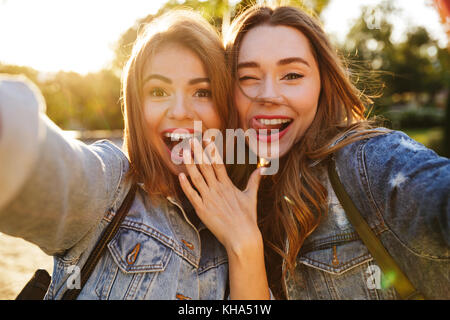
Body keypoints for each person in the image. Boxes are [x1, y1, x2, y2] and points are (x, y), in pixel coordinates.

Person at [181, 4, 449, 300]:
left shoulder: (366, 163)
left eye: (292, 75)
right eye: (247, 78)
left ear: (323, 83)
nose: (268, 95)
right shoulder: (226, 192)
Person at [0, 10, 270, 300]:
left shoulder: (257, 214)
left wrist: (245, 245)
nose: (179, 111)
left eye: (202, 92)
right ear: (136, 107)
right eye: (158, 91)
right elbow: (39, 161)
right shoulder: (110, 189)